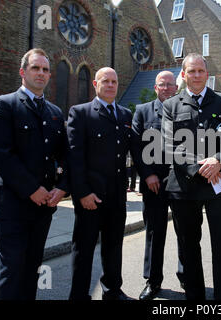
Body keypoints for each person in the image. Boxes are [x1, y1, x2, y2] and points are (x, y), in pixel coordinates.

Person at [0, 48, 69, 300]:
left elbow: (64, 155)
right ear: (23, 72)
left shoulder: (54, 112)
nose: (41, 73)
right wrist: (32, 188)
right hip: (11, 204)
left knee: (32, 268)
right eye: (35, 68)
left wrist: (62, 187)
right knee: (12, 268)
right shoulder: (3, 105)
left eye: (45, 69)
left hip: (42, 206)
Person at [67, 67, 150, 300]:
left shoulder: (124, 114)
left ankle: (112, 290)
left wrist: (151, 174)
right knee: (83, 250)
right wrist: (82, 193)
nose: (111, 85)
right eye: (106, 81)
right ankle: (79, 295)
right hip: (90, 197)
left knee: (113, 247)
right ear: (96, 84)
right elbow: (74, 156)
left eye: (114, 81)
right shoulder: (80, 113)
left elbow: (136, 150)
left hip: (116, 196)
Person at [161, 53, 221, 300]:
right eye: (191, 71)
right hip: (185, 186)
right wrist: (199, 167)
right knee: (189, 246)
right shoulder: (170, 106)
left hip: (220, 184)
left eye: (200, 71)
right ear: (183, 75)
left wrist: (219, 161)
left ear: (207, 73)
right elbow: (168, 145)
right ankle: (195, 298)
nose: (196, 75)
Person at [132, 71, 185, 300]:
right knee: (155, 232)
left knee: (186, 233)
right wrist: (147, 175)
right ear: (155, 88)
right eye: (161, 84)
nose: (166, 88)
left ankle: (187, 276)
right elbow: (135, 147)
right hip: (154, 183)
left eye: (170, 85)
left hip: (182, 183)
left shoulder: (186, 109)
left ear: (176, 88)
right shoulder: (143, 112)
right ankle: (152, 281)